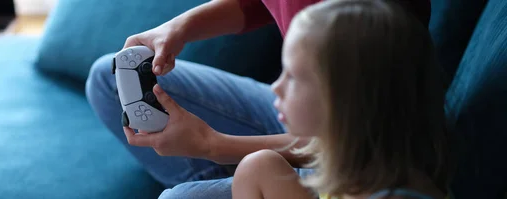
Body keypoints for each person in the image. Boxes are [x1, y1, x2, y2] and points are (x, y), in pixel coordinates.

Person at [85, 0, 435, 198]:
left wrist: (211, 144)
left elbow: (357, 131)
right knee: (109, 78)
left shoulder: (367, 40)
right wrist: (181, 27)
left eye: (292, 76)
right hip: (338, 132)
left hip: (343, 139)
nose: (276, 87)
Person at [231, 0, 451, 198]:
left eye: (293, 77)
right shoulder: (354, 173)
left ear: (346, 103)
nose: (276, 87)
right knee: (258, 167)